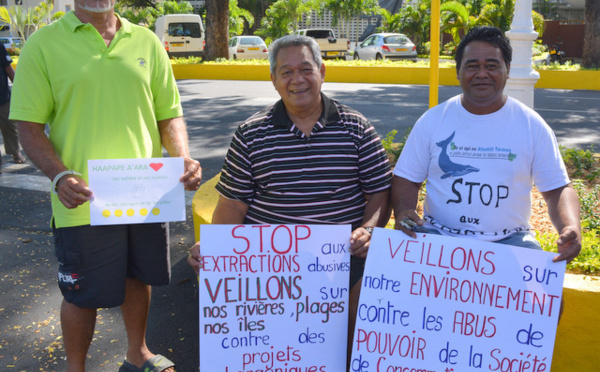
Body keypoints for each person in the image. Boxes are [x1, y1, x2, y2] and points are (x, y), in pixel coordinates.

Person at [9, 0, 202, 371]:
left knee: (137, 275)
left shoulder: (146, 41)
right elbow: (28, 126)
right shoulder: (43, 44)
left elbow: (168, 113)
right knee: (82, 293)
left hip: (147, 194)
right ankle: (76, 368)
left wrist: (183, 158)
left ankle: (138, 353)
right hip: (83, 198)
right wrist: (60, 175)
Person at [187, 34, 392, 368]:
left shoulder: (357, 128)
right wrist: (213, 248)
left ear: (322, 71)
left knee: (349, 342)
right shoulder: (251, 134)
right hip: (270, 271)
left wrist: (370, 230)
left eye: (306, 69)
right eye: (286, 72)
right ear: (273, 80)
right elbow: (234, 205)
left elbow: (380, 193)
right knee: (275, 355)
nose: (297, 79)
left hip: (343, 263)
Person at [392, 27, 580, 264]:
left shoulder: (532, 125)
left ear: (507, 70)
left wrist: (570, 226)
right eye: (472, 66)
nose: (482, 73)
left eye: (491, 65)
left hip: (510, 239)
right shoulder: (433, 120)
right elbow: (407, 178)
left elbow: (557, 188)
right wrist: (403, 211)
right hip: (438, 236)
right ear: (458, 72)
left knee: (547, 298)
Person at [0, 42, 25, 172]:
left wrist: (21, 89)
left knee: (10, 128)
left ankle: (15, 153)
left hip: (2, 97)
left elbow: (8, 69)